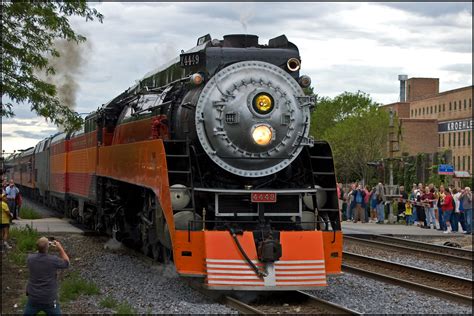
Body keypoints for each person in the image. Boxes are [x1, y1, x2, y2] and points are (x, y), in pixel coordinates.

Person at [24, 237, 70, 315]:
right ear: (48, 247)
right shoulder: (53, 260)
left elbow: (37, 254)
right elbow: (67, 263)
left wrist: (40, 247)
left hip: (33, 298)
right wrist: (60, 248)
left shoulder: (30, 258)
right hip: (49, 298)